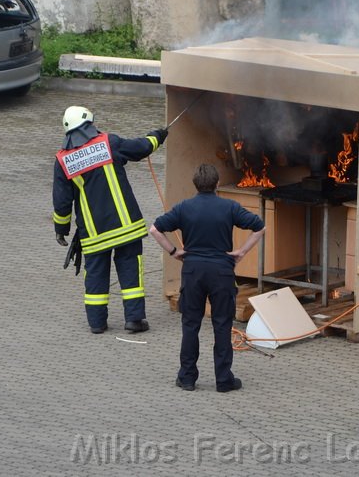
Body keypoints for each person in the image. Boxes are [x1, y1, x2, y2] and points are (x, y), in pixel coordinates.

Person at [149, 163, 265, 393]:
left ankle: (188, 377)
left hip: (193, 271)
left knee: (190, 324)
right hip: (221, 272)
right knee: (222, 325)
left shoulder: (184, 207)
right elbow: (259, 227)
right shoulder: (229, 207)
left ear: (195, 184)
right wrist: (241, 252)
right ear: (217, 183)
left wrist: (174, 252)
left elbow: (154, 229)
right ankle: (223, 380)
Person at [53, 105, 168, 334]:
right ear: (88, 124)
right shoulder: (109, 143)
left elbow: (62, 202)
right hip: (126, 227)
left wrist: (61, 228)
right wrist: (158, 135)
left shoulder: (63, 160)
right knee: (130, 271)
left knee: (95, 274)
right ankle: (134, 320)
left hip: (94, 233)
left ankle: (97, 323)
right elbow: (141, 147)